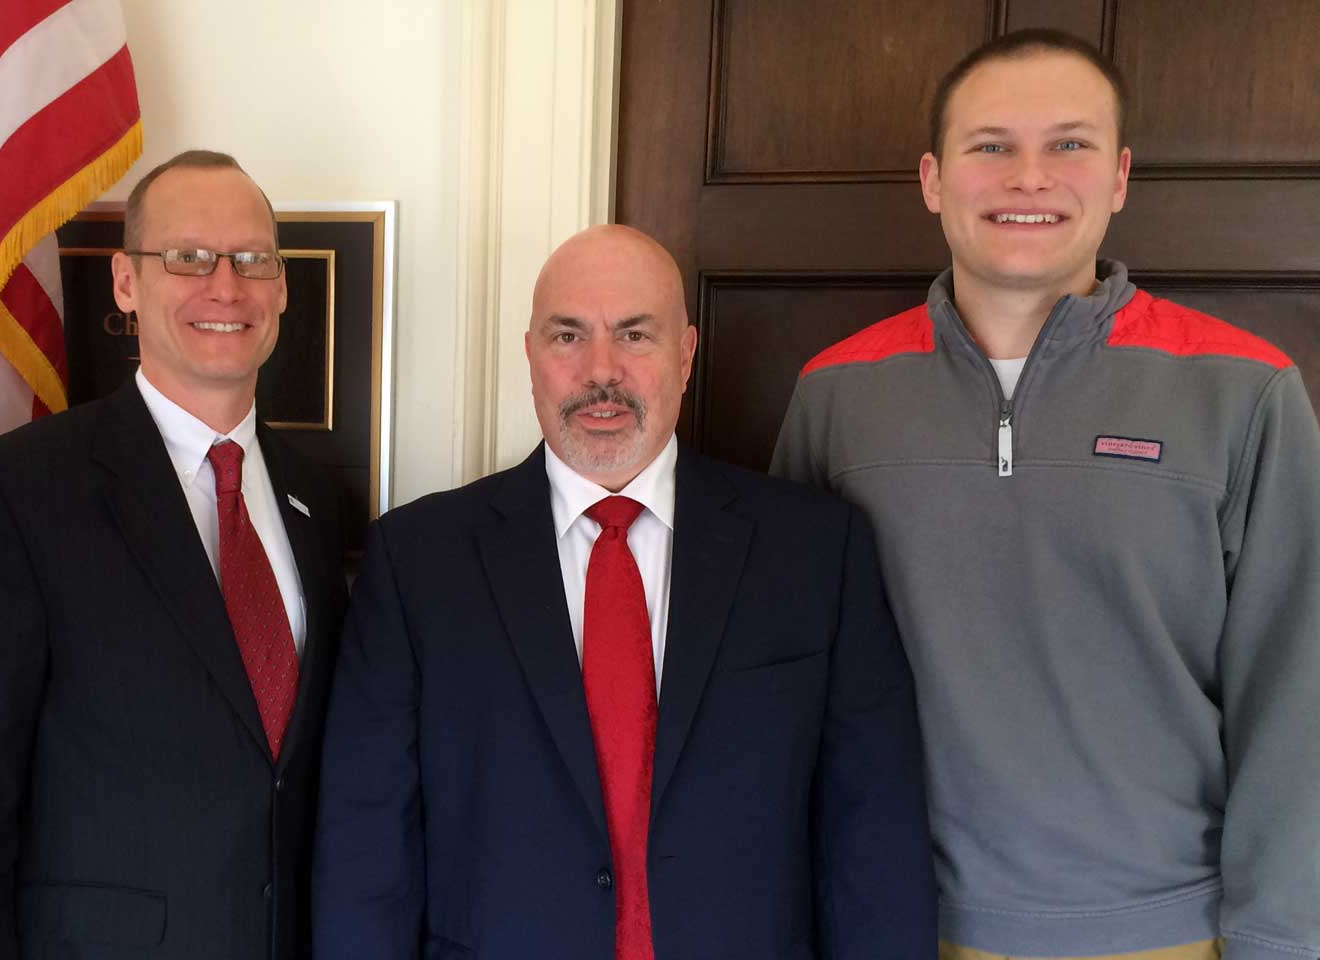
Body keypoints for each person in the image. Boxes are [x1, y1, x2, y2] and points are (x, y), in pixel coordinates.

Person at [772, 29, 1320, 960]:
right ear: (934, 179)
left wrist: (1279, 938)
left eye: (1069, 144)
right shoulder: (837, 394)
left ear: (1118, 178)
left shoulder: (1243, 389)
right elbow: (782, 682)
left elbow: (1298, 691)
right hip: (894, 923)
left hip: (1166, 934)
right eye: (991, 146)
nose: (1030, 177)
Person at [314, 224, 935, 959]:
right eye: (568, 337)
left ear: (685, 356)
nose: (600, 371)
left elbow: (874, 830)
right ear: (531, 358)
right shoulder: (417, 560)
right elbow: (367, 843)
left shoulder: (815, 551)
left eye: (635, 335)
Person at [0, 150, 350, 959]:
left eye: (254, 260)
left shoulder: (315, 499)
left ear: (283, 286)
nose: (225, 287)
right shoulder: (16, 491)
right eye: (187, 258)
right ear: (126, 282)